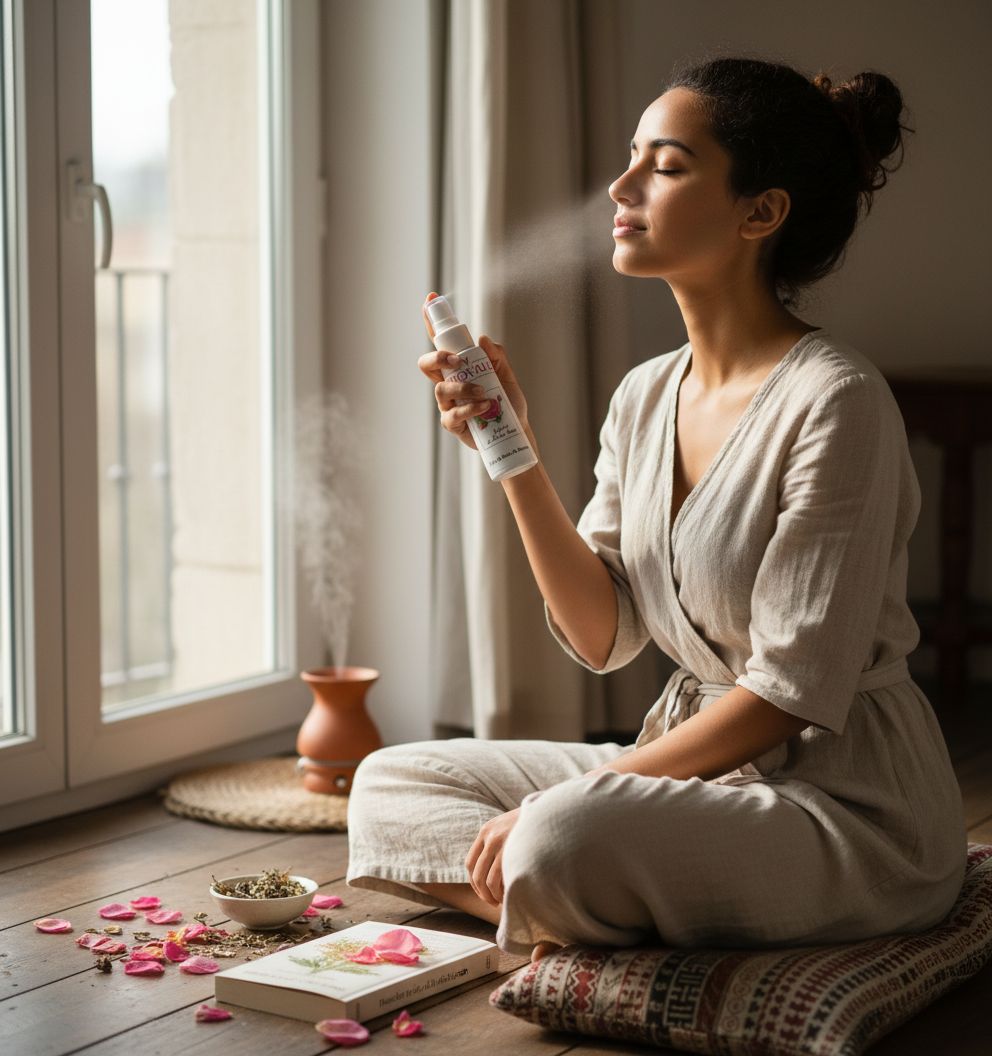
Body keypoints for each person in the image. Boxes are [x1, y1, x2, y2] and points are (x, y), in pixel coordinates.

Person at [344, 56, 967, 966]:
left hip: (839, 808)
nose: (620, 185)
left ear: (761, 213)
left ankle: (568, 894)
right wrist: (510, 453)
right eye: (633, 156)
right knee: (390, 780)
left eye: (666, 166)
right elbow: (605, 635)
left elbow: (787, 699)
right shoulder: (644, 395)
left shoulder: (838, 402)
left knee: (563, 837)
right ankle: (578, 905)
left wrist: (560, 808)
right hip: (682, 768)